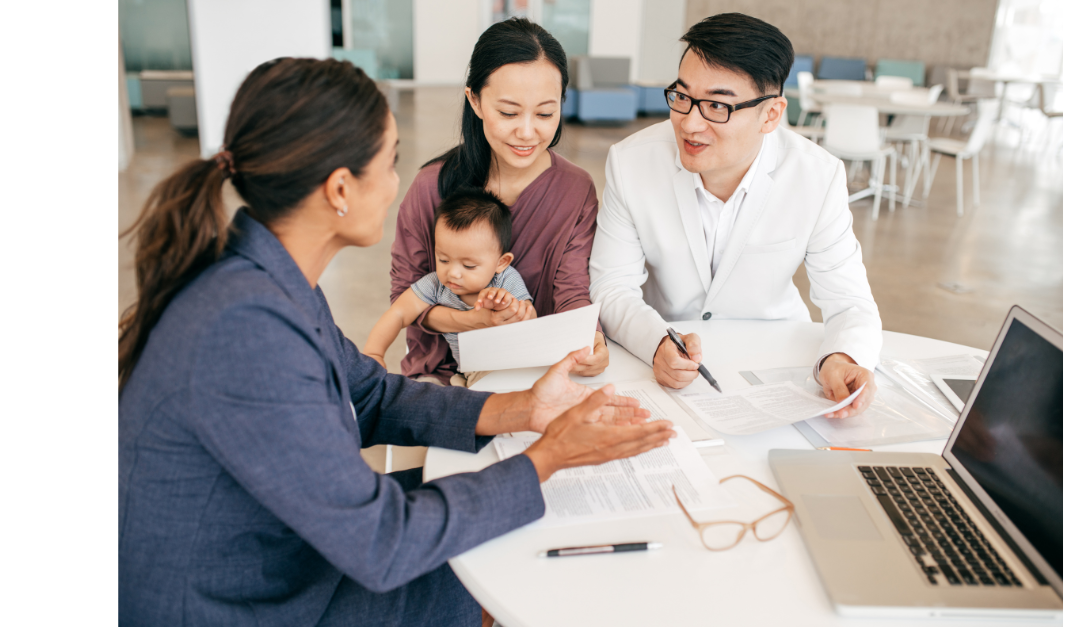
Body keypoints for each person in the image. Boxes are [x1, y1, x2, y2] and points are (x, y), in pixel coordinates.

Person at [117, 57, 675, 627]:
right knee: (499, 553)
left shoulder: (266, 281)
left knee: (494, 507)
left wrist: (524, 409)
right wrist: (548, 456)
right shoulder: (245, 334)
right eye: (390, 163)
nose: (396, 185)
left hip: (280, 557)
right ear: (339, 188)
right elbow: (381, 544)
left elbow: (373, 396)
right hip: (251, 603)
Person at [588, 13, 883, 418]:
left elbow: (849, 301)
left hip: (777, 359)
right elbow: (611, 285)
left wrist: (842, 356)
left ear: (771, 115)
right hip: (673, 361)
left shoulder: (817, 175)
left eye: (717, 106)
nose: (690, 123)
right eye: (682, 96)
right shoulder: (631, 161)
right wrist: (656, 341)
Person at [391, 18, 609, 386]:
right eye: (508, 113)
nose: (527, 132)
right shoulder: (431, 187)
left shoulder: (576, 189)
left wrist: (592, 337)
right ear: (474, 100)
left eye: (545, 113)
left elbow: (572, 291)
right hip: (442, 372)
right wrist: (476, 321)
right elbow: (406, 298)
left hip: (533, 369)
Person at [365, 188, 534, 388]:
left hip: (515, 364)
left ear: (501, 262)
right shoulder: (435, 284)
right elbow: (398, 313)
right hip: (475, 371)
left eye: (469, 266)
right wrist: (373, 353)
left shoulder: (505, 280)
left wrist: (506, 306)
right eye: (443, 259)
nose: (453, 273)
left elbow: (531, 321)